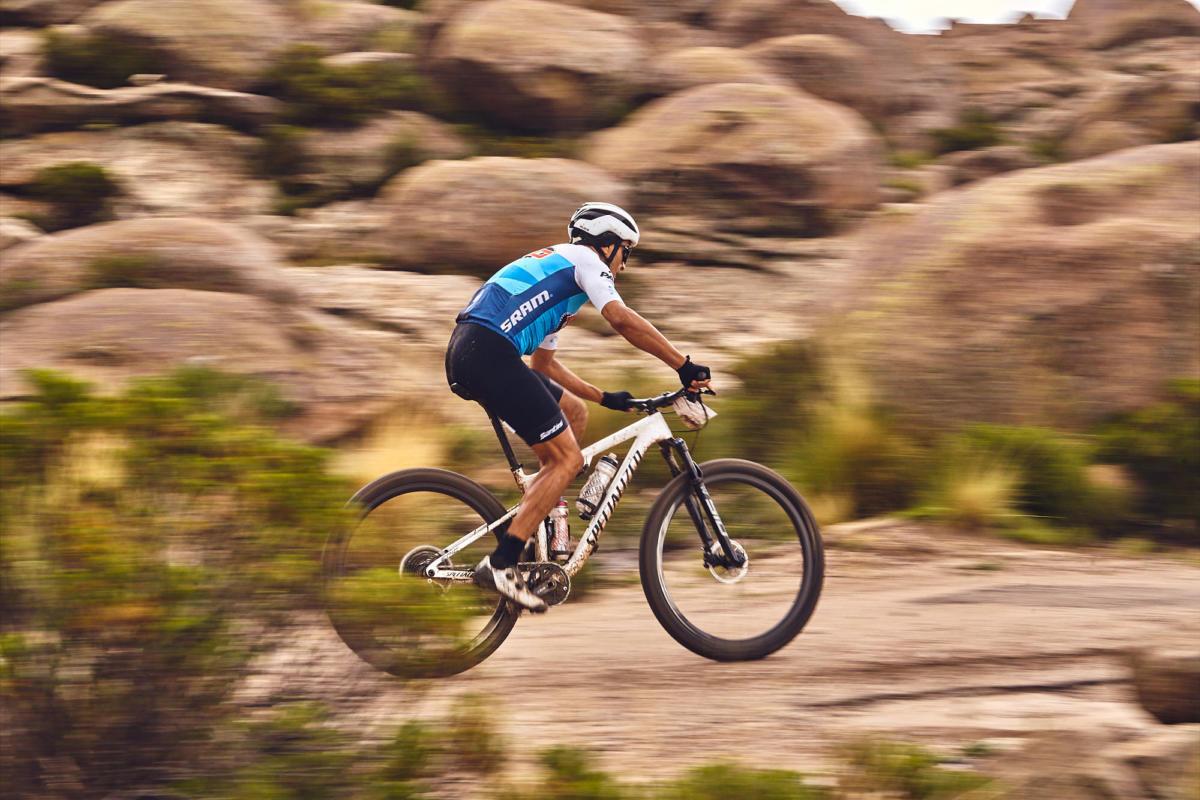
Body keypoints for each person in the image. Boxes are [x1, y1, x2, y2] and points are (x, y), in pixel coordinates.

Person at [445, 202, 712, 612]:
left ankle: (540, 519)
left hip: (477, 350)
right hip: (488, 353)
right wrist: (683, 365)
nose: (624, 264)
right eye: (626, 252)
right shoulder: (585, 260)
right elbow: (621, 319)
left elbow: (543, 366)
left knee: (575, 413)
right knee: (567, 460)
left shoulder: (560, 279)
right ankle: (501, 564)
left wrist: (605, 397)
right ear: (607, 245)